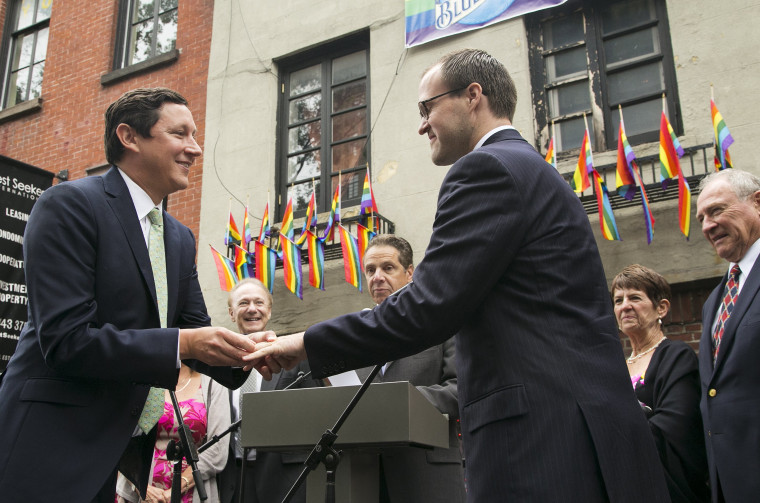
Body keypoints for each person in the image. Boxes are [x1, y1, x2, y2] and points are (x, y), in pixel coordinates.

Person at [249, 49, 670, 501]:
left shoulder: (485, 168)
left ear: (473, 96)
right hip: (579, 434)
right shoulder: (531, 169)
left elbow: (427, 305)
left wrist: (303, 344)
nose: (422, 124)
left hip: (545, 443)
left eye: (427, 107)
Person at [0, 88, 269, 502]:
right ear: (129, 137)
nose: (195, 149)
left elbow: (195, 333)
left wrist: (248, 351)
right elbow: (67, 340)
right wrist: (185, 342)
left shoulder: (179, 237)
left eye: (195, 136)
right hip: (50, 445)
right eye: (180, 134)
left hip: (124, 457)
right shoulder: (69, 205)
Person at [357, 234, 465, 503]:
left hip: (427, 475)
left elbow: (461, 388)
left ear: (409, 274)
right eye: (370, 270)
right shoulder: (356, 335)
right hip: (362, 477)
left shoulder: (442, 324)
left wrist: (403, 401)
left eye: (387, 268)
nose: (377, 277)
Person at [612, 264, 709, 502]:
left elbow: (676, 428)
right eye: (618, 300)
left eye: (635, 297)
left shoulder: (676, 356)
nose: (625, 306)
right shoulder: (614, 369)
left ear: (661, 308)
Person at [219, 278, 321, 503]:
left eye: (259, 302)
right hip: (231, 479)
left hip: (283, 477)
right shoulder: (218, 365)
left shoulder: (292, 355)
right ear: (231, 312)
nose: (252, 309)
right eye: (243, 303)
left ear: (269, 310)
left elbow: (314, 414)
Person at [695, 168, 760, 502]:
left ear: (758, 204)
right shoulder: (713, 302)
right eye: (702, 217)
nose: (707, 225)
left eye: (717, 210)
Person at [116, 364, 231, 503]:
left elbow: (218, 450)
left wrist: (177, 488)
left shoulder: (212, 383)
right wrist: (142, 488)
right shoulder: (144, 379)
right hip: (143, 493)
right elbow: (120, 441)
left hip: (192, 489)